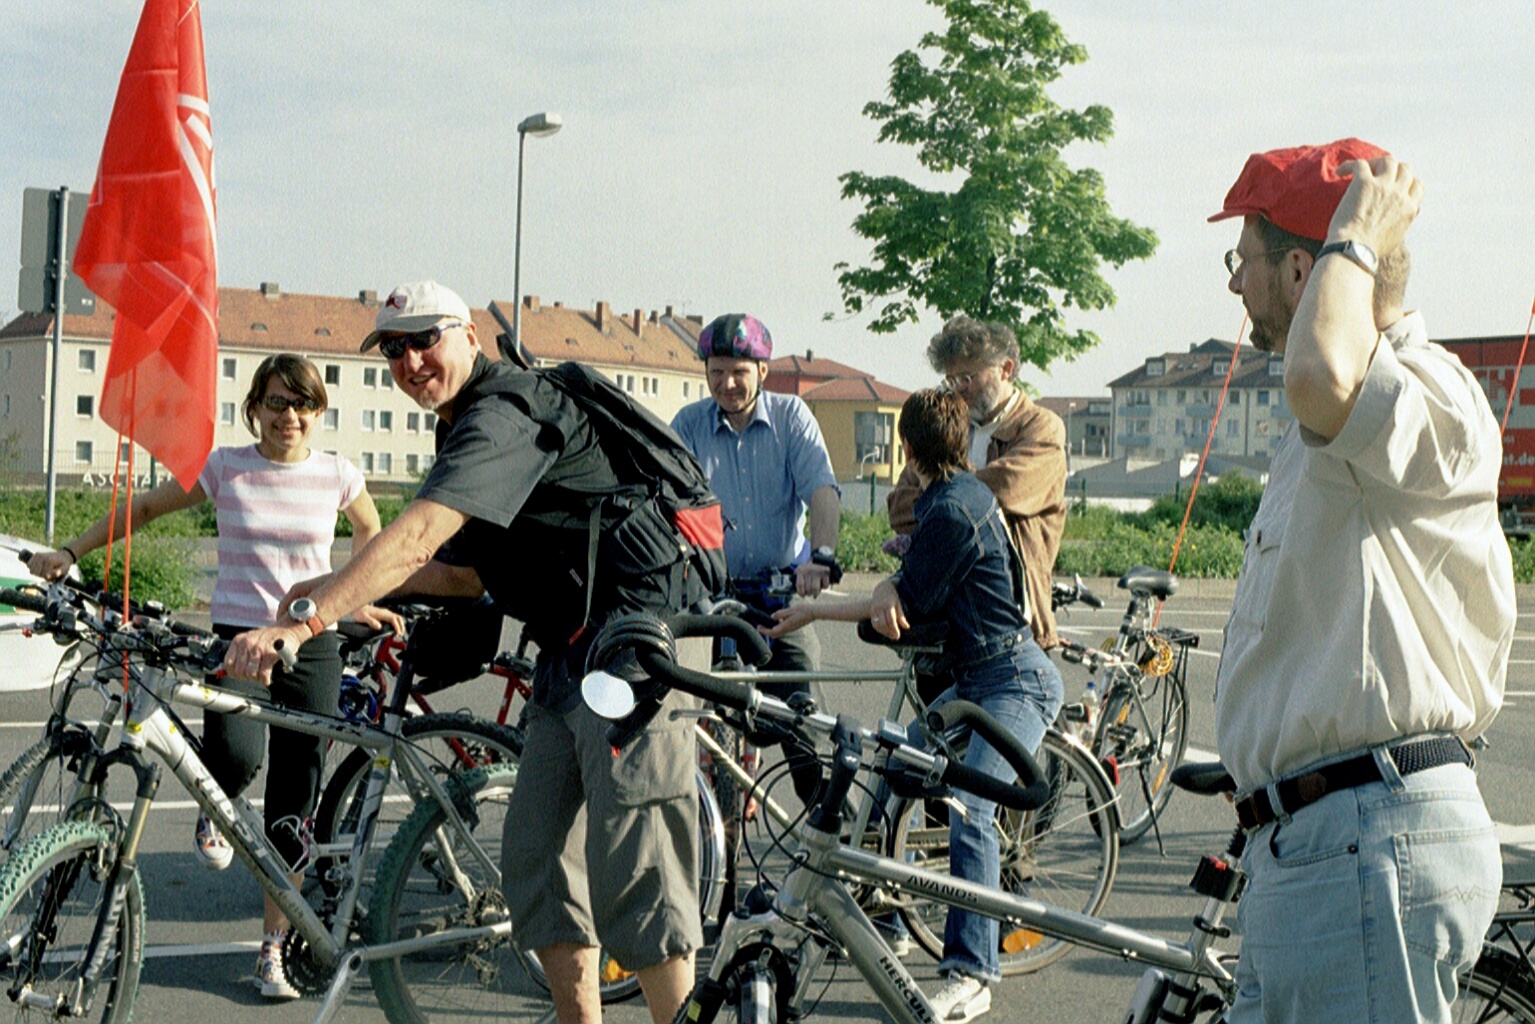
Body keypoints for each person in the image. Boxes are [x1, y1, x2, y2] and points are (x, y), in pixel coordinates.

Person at [223, 281, 705, 1024]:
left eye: (426, 340)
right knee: (536, 863)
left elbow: (417, 536)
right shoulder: (457, 427)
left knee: (637, 873)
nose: (410, 360)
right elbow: (466, 574)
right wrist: (329, 589)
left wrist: (305, 623)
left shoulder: (506, 413)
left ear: (470, 336)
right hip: (567, 651)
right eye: (394, 348)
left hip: (636, 646)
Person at [1209, 138, 1513, 1023]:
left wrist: (1356, 234)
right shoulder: (1328, 421)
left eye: (1244, 260)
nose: (1234, 285)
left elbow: (1321, 372)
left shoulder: (1418, 387)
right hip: (1318, 849)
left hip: (1364, 840)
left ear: (1301, 271)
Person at [27, 353, 394, 1001]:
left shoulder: (338, 474)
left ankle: (273, 949)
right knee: (236, 754)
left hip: (311, 644)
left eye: (303, 404)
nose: (289, 416)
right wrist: (72, 551)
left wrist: (354, 598)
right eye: (277, 402)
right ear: (254, 408)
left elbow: (372, 531)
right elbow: (146, 508)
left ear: (318, 413)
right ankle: (216, 805)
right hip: (237, 642)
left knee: (294, 805)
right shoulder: (226, 467)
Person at [766, 388, 1063, 1024]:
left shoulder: (952, 510)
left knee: (971, 811)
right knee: (892, 768)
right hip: (980, 680)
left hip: (1015, 682)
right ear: (962, 442)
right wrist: (887, 579)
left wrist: (818, 609)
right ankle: (888, 919)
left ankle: (972, 973)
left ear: (905, 449)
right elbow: (909, 584)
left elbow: (897, 611)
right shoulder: (957, 495)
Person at [671, 313, 841, 803]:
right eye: (717, 372)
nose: (727, 384)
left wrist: (822, 556)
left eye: (739, 372)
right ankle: (702, 823)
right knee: (677, 710)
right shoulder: (689, 425)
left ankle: (827, 825)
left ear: (763, 371)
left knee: (804, 716)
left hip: (779, 593)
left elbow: (822, 490)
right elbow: (667, 500)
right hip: (711, 595)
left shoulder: (791, 417)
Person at [888, 316, 1066, 653]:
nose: (958, 388)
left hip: (1012, 622)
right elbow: (899, 505)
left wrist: (936, 496)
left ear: (1006, 369)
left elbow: (1003, 490)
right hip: (946, 621)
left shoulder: (1041, 428)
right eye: (951, 379)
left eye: (968, 377)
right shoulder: (949, 427)